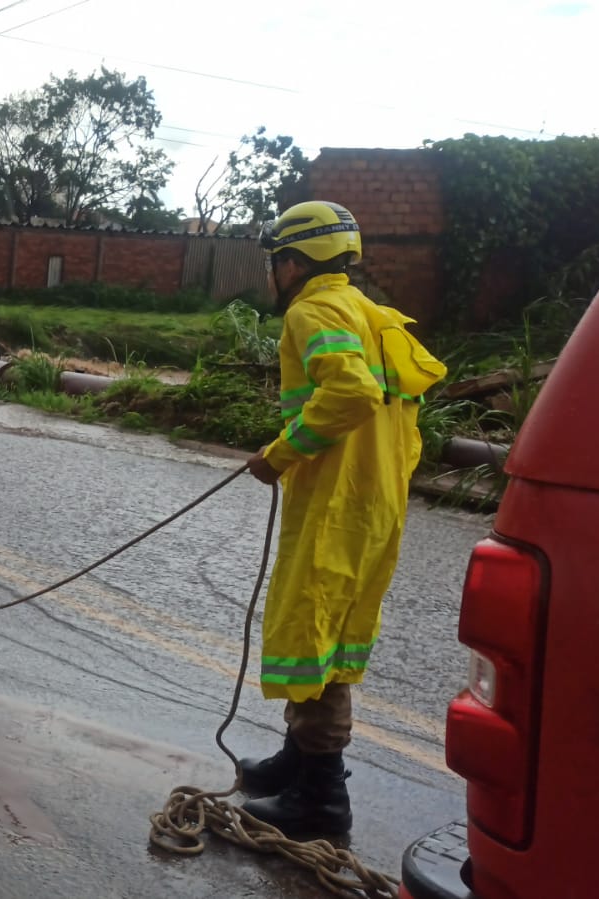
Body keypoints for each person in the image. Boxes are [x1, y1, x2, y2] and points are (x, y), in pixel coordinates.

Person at [239, 200, 441, 835]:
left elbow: (351, 392)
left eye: (278, 262)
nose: (276, 274)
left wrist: (278, 455)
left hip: (334, 504)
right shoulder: (371, 313)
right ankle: (296, 762)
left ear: (293, 263)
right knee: (335, 632)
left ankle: (320, 799)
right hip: (374, 503)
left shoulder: (312, 310)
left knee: (310, 635)